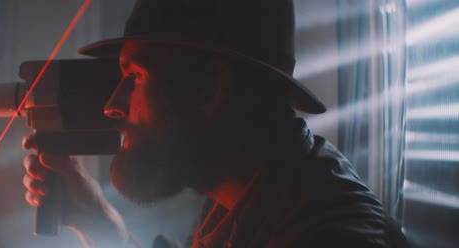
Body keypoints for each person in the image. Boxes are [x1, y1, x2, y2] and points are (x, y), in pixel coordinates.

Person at [22, 0, 409, 247]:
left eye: (136, 77)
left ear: (210, 89)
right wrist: (98, 222)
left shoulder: (326, 234)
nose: (112, 105)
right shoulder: (243, 194)